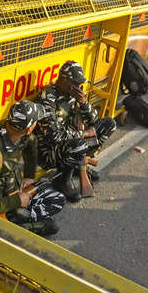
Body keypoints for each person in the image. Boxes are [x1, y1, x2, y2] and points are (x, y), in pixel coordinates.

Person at [0, 100, 65, 236]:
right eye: (35, 123)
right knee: (53, 226)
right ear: (29, 128)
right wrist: (19, 200)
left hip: (11, 194)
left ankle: (17, 220)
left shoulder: (12, 129)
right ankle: (15, 229)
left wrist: (29, 176)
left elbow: (31, 142)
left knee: (57, 198)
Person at [35, 61, 116, 202]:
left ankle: (79, 164)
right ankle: (62, 180)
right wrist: (84, 134)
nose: (79, 87)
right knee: (79, 144)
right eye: (75, 83)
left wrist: (83, 102)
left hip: (72, 142)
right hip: (49, 152)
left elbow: (94, 121)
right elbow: (54, 136)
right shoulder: (47, 98)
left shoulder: (72, 94)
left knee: (108, 124)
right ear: (63, 81)